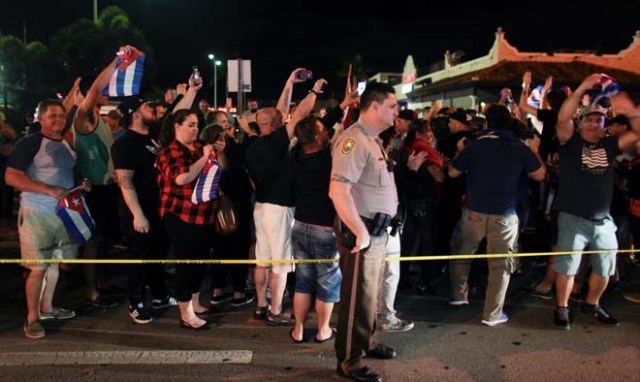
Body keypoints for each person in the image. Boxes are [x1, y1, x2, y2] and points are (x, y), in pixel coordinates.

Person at [551, 75, 640, 330]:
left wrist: (631, 112)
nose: (593, 125)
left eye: (598, 120)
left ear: (604, 124)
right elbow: (561, 118)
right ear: (580, 123)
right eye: (589, 120)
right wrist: (581, 88)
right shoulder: (570, 142)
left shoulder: (610, 144)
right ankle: (562, 308)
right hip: (572, 217)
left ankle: (592, 304)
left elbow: (637, 134)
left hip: (603, 220)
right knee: (567, 268)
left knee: (605, 267)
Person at [447, 104, 545, 326]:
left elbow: (453, 172)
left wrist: (462, 152)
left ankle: (458, 296)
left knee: (462, 253)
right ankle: (492, 313)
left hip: (473, 211)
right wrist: (534, 150)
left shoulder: (475, 145)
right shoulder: (519, 147)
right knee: (500, 265)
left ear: (487, 123)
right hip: (505, 214)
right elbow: (539, 175)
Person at [329, 82, 400, 382]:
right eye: (393, 106)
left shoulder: (374, 139)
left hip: (376, 230)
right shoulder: (354, 140)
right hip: (363, 232)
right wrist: (360, 232)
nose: (397, 111)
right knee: (357, 299)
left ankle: (366, 343)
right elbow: (338, 190)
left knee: (368, 296)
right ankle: (349, 360)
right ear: (373, 107)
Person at [5, 99, 83, 339]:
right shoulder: (29, 143)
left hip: (64, 215)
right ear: (40, 118)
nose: (59, 119)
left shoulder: (66, 142)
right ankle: (32, 319)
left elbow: (68, 174)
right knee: (38, 268)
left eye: (61, 115)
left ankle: (47, 308)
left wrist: (80, 186)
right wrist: (47, 189)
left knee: (56, 263)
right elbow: (11, 177)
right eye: (52, 116)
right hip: (37, 215)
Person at [244, 68, 310, 326]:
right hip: (280, 209)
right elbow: (299, 114)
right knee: (281, 265)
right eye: (281, 121)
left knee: (262, 260)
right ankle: (276, 310)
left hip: (260, 207)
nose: (285, 121)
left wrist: (289, 82)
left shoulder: (253, 145)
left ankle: (260, 306)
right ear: (276, 125)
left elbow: (279, 113)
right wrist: (313, 91)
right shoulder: (276, 143)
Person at [289, 80, 349, 343]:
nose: (327, 133)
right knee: (327, 282)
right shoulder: (329, 160)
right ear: (317, 138)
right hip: (324, 231)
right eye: (323, 131)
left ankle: (298, 329)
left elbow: (317, 127)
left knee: (303, 280)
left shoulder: (295, 155)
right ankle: (324, 329)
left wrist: (341, 107)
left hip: (300, 226)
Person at [156, 109, 225, 329]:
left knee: (199, 261)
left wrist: (218, 153)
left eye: (197, 125)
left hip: (204, 214)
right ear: (177, 126)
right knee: (185, 263)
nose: (195, 129)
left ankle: (195, 303)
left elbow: (220, 170)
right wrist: (205, 157)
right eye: (191, 125)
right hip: (180, 213)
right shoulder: (169, 151)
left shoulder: (198, 147)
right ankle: (186, 315)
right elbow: (182, 177)